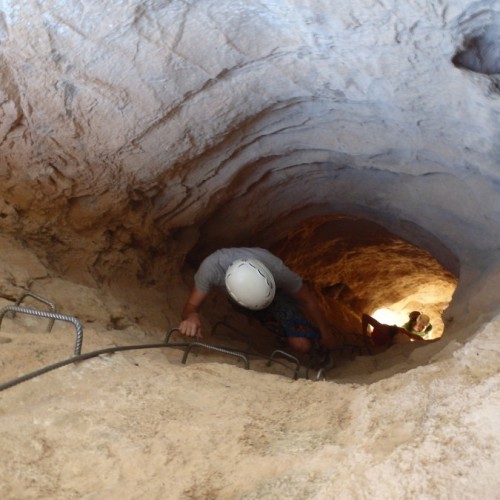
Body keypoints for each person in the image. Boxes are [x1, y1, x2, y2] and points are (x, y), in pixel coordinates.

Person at [179, 247, 340, 353]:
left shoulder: (277, 270)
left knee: (301, 344)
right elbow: (191, 306)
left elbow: (308, 300)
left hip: (278, 297)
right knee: (270, 322)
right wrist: (191, 316)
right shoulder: (211, 269)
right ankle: (275, 327)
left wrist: (326, 333)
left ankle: (312, 349)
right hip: (241, 305)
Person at [361, 313, 427, 348]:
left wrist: (364, 335)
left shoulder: (397, 332)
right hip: (387, 336)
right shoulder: (385, 330)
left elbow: (415, 336)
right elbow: (365, 316)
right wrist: (364, 336)